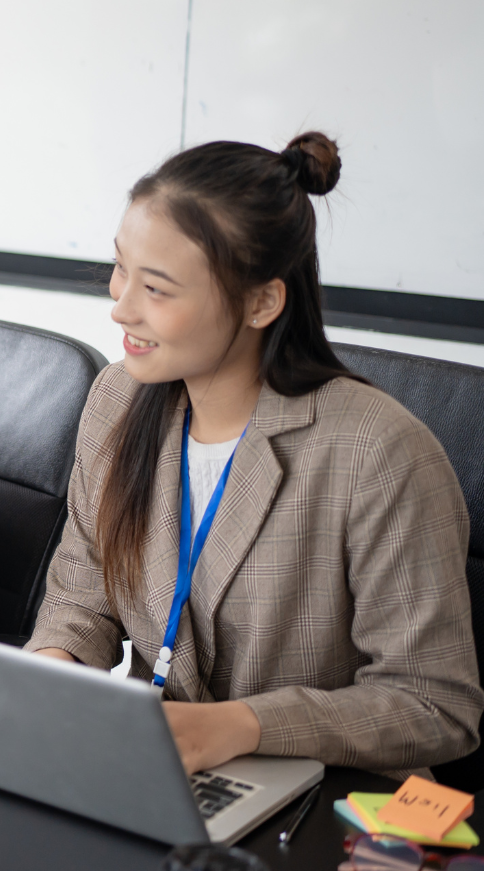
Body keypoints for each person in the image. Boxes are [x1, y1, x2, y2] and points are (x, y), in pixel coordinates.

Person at [26, 134, 482, 776]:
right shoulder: (119, 399)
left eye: (156, 288)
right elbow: (84, 592)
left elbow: (435, 705)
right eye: (121, 267)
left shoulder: (378, 451)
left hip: (322, 800)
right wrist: (53, 673)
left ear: (262, 302)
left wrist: (243, 725)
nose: (120, 304)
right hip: (157, 767)